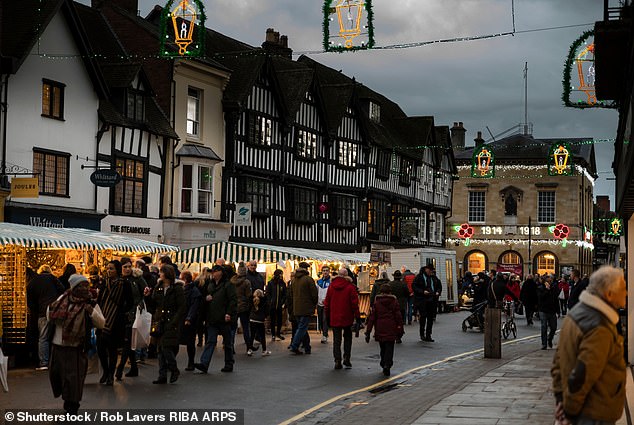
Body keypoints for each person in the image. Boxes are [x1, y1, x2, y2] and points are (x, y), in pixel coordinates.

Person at [551, 266, 627, 425]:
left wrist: (560, 398)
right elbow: (582, 376)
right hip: (594, 412)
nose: (626, 293)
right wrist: (569, 412)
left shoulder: (578, 313)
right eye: (623, 288)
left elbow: (558, 361)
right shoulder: (599, 326)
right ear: (609, 294)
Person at [47, 274, 105, 414]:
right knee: (56, 375)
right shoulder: (62, 299)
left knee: (74, 379)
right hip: (58, 345)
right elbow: (49, 314)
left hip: (76, 347)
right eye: (81, 286)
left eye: (86, 285)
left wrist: (91, 312)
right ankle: (67, 397)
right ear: (73, 287)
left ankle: (72, 404)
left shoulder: (90, 303)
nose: (84, 288)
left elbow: (102, 323)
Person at [145, 265, 186, 384]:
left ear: (167, 274)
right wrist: (147, 297)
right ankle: (162, 375)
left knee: (165, 347)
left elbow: (182, 307)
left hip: (171, 322)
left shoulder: (177, 288)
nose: (159, 274)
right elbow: (153, 305)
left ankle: (173, 369)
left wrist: (174, 320)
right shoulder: (158, 287)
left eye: (161, 272)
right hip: (159, 322)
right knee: (160, 349)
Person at [195, 264, 237, 373]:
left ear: (221, 273)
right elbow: (204, 297)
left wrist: (229, 313)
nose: (213, 273)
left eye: (215, 271)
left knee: (227, 343)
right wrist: (206, 298)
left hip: (224, 318)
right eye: (212, 272)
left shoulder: (228, 285)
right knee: (210, 341)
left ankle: (229, 363)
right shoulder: (210, 285)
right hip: (212, 318)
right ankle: (204, 363)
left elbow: (233, 300)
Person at [96, 260, 132, 385]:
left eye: (111, 268)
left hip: (116, 320)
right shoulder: (104, 282)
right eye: (107, 268)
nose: (109, 271)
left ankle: (110, 374)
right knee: (100, 348)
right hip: (102, 318)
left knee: (112, 349)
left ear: (117, 270)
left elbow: (130, 302)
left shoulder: (124, 284)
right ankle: (105, 372)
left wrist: (121, 311)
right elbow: (100, 299)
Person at [27, 264, 64, 370]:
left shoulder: (33, 281)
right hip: (55, 311)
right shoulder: (52, 278)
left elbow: (29, 298)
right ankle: (57, 361)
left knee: (43, 338)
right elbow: (63, 290)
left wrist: (35, 309)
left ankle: (44, 363)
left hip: (42, 313)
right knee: (57, 336)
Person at [115, 257, 147, 380]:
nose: (128, 269)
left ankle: (120, 368)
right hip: (121, 314)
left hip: (134, 314)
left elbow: (145, 294)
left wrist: (139, 306)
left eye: (129, 266)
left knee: (128, 341)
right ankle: (134, 368)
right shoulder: (119, 280)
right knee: (129, 341)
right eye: (125, 267)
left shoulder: (137, 278)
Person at [323, 268, 360, 370]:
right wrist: (357, 316)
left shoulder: (331, 286)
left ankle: (337, 360)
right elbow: (354, 304)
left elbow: (327, 303)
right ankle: (347, 359)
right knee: (348, 339)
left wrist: (328, 316)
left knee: (336, 340)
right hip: (347, 317)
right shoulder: (350, 287)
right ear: (347, 275)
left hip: (334, 317)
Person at [365, 284, 403, 377]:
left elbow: (372, 318)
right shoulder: (394, 301)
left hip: (380, 327)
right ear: (390, 292)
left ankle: (383, 363)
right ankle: (388, 364)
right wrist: (400, 328)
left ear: (381, 292)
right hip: (391, 326)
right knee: (390, 347)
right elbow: (398, 316)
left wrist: (368, 331)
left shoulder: (377, 303)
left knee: (382, 347)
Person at [287, 262, 318, 355]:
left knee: (302, 328)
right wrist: (314, 304)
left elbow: (290, 295)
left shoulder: (293, 280)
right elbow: (314, 294)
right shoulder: (308, 279)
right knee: (302, 328)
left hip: (296, 308)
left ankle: (307, 347)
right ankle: (294, 345)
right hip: (306, 308)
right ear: (306, 269)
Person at [179, 271, 201, 371]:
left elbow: (194, 306)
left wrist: (189, 318)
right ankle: (171, 362)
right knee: (180, 341)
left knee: (190, 342)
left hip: (189, 320)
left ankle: (191, 363)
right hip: (182, 318)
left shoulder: (193, 291)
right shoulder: (183, 289)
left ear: (185, 279)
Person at [412, 266, 442, 342]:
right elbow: (414, 287)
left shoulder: (434, 278)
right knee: (423, 317)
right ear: (426, 269)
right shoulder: (419, 277)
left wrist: (438, 292)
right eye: (429, 270)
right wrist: (422, 291)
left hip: (432, 299)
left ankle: (428, 335)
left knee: (430, 318)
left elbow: (439, 286)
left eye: (432, 271)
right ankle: (422, 334)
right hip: (422, 300)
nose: (430, 272)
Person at [231, 262, 252, 353]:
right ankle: (248, 347)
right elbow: (249, 296)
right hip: (244, 307)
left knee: (233, 328)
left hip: (234, 307)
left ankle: (231, 347)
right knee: (246, 328)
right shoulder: (246, 282)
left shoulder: (231, 281)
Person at [537, 275, 559, 350]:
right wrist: (547, 290)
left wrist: (558, 311)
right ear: (545, 282)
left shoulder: (554, 288)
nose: (550, 282)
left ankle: (549, 338)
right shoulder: (540, 288)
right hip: (543, 310)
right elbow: (541, 298)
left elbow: (556, 299)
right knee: (544, 326)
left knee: (553, 327)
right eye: (548, 281)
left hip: (552, 310)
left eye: (551, 281)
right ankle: (544, 344)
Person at [248, 289, 270, 356]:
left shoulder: (251, 300)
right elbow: (267, 311)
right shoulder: (264, 301)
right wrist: (265, 316)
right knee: (262, 336)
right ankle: (264, 350)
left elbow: (249, 309)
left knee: (252, 335)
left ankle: (249, 350)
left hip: (252, 320)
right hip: (260, 320)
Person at [266, 269, 287, 341]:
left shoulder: (283, 284)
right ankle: (273, 335)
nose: (281, 275)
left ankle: (278, 333)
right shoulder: (270, 283)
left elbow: (285, 294)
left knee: (279, 320)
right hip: (272, 305)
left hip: (280, 306)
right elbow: (268, 293)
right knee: (272, 320)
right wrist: (270, 302)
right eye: (280, 274)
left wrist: (283, 302)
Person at [389, 270, 409, 342]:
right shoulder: (403, 284)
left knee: (393, 321)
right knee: (400, 321)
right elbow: (407, 293)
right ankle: (399, 335)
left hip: (391, 305)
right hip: (401, 305)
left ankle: (393, 334)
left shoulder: (390, 284)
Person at [316, 265, 331, 344]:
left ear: (329, 271)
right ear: (322, 272)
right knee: (321, 320)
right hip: (319, 304)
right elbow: (316, 292)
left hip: (327, 304)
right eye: (324, 271)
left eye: (326, 270)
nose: (325, 272)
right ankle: (324, 333)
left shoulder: (331, 282)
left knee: (325, 319)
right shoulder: (318, 282)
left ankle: (324, 336)